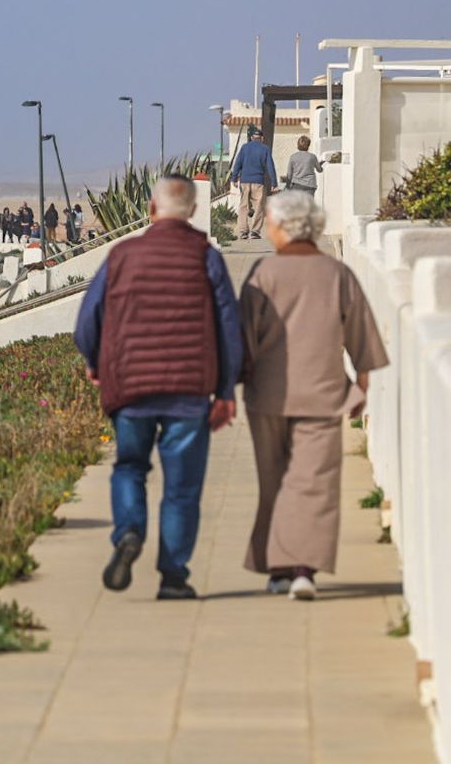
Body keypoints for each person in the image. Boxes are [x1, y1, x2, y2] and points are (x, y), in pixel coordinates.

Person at [74, 175, 242, 600]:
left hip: (129, 387)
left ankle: (129, 532)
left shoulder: (122, 254)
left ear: (151, 209)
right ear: (192, 211)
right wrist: (225, 391)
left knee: (130, 467)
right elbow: (228, 326)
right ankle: (173, 576)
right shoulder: (206, 256)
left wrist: (97, 365)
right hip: (189, 391)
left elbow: (86, 322)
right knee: (182, 488)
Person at [238, 190, 387, 600]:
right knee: (314, 482)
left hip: (267, 396)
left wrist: (236, 381)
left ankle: (279, 569)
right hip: (323, 393)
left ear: (284, 227)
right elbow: (362, 335)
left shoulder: (262, 273)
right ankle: (303, 569)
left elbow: (242, 337)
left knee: (275, 481)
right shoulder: (336, 274)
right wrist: (361, 386)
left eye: (269, 222)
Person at [229, 125, 279, 239]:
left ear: (252, 138)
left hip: (244, 181)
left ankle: (243, 231)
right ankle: (255, 231)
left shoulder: (244, 148)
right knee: (259, 207)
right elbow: (270, 167)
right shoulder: (265, 149)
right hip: (258, 182)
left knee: (243, 206)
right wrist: (274, 183)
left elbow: (238, 163)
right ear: (261, 138)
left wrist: (234, 178)